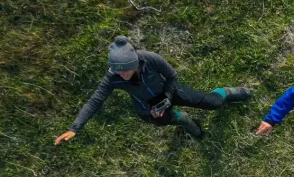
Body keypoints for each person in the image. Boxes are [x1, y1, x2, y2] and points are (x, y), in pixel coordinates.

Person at [54, 36, 251, 144]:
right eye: (117, 71)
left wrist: (167, 96)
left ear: (135, 62)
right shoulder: (112, 78)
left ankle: (225, 92)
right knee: (165, 120)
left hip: (169, 90)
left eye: (125, 71)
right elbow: (95, 101)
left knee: (213, 103)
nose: (121, 75)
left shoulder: (149, 58)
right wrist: (74, 128)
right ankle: (182, 119)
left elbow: (172, 76)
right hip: (148, 107)